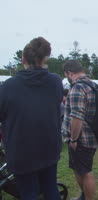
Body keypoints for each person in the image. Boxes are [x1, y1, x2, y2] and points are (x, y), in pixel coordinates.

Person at [0, 37, 63, 199]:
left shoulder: (7, 88)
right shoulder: (55, 82)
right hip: (49, 148)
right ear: (45, 59)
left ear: (23, 59)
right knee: (50, 189)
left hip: (21, 152)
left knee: (29, 193)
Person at [62, 59, 98, 200]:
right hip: (91, 135)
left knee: (85, 171)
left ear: (69, 73)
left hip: (82, 138)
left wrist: (74, 139)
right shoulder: (92, 84)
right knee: (80, 169)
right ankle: (83, 196)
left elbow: (77, 117)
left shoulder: (78, 87)